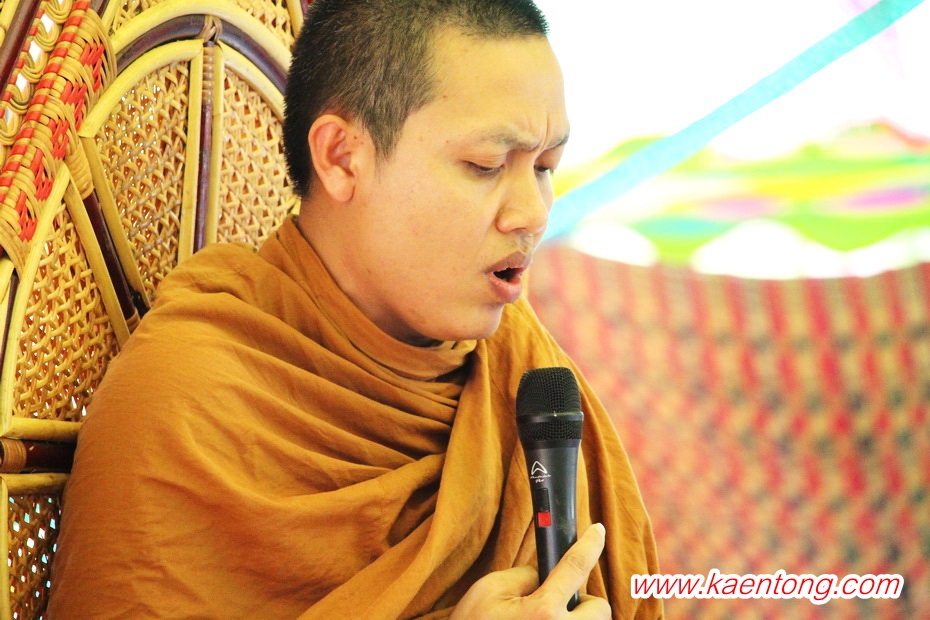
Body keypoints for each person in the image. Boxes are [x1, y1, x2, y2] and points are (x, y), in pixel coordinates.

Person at [48, 0, 662, 617]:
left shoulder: (522, 373)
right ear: (343, 158)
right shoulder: (188, 407)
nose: (532, 214)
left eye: (546, 167)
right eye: (486, 166)